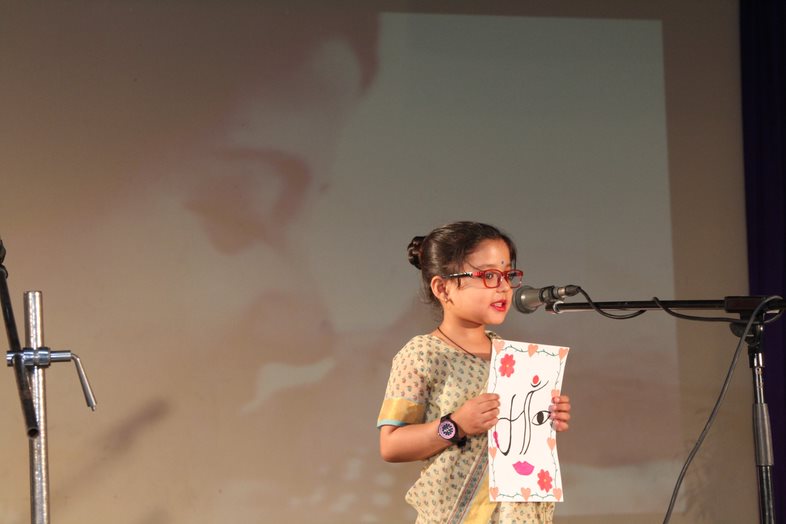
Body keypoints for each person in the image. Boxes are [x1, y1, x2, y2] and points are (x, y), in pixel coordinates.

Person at [377, 221, 572, 523]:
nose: (504, 287)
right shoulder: (423, 354)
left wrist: (546, 417)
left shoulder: (516, 360)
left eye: (508, 275)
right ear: (443, 288)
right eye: (489, 276)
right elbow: (391, 444)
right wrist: (456, 424)